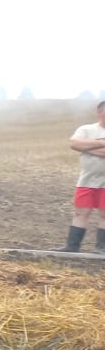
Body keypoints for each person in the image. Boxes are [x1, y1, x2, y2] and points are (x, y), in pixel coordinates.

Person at [63, 99, 105, 252]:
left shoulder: (87, 136)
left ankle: (102, 248)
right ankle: (72, 247)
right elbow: (74, 144)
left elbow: (81, 146)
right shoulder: (86, 129)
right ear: (99, 112)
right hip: (86, 180)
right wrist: (101, 143)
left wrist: (86, 147)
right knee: (81, 212)